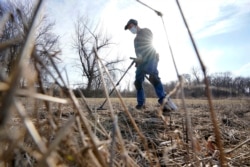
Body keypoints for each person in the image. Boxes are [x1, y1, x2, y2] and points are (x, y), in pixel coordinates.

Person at [124, 19, 177, 111]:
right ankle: (141, 104)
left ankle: (165, 102)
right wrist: (138, 59)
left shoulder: (146, 31)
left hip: (151, 58)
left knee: (153, 77)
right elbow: (138, 52)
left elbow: (148, 44)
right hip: (141, 62)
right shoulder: (135, 39)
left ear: (136, 24)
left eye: (130, 26)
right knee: (137, 82)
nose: (130, 29)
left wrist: (143, 56)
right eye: (129, 28)